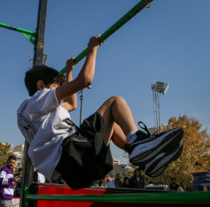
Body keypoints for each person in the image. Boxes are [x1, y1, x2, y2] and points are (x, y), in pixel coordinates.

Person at [17, 35, 184, 190]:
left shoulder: (38, 116)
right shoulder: (37, 99)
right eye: (56, 88)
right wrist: (92, 49)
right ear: (40, 85)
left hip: (75, 171)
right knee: (115, 102)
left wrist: (69, 72)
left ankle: (144, 156)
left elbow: (71, 103)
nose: (59, 92)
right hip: (72, 154)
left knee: (111, 122)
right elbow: (85, 80)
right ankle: (139, 142)